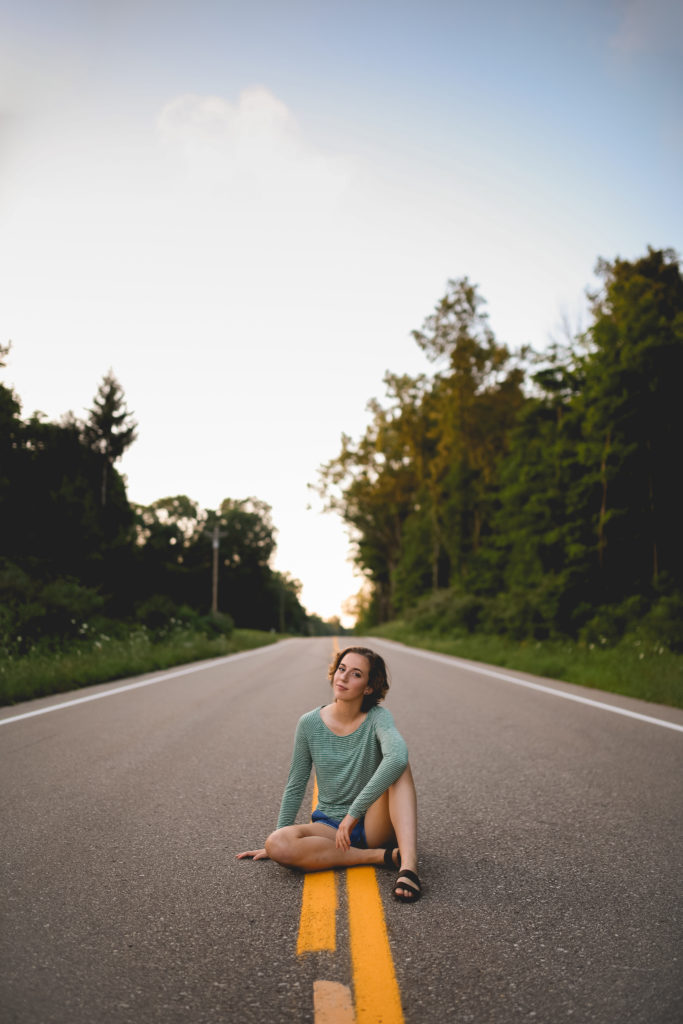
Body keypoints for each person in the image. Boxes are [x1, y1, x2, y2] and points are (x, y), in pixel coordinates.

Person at [236, 645, 422, 902]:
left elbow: (398, 757)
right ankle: (381, 856)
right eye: (341, 669)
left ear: (369, 687)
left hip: (373, 823)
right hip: (330, 827)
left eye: (356, 674)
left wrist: (353, 814)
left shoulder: (378, 718)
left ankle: (409, 865)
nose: (343, 677)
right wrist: (280, 831)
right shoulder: (309, 723)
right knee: (277, 843)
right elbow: (296, 782)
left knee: (399, 763)